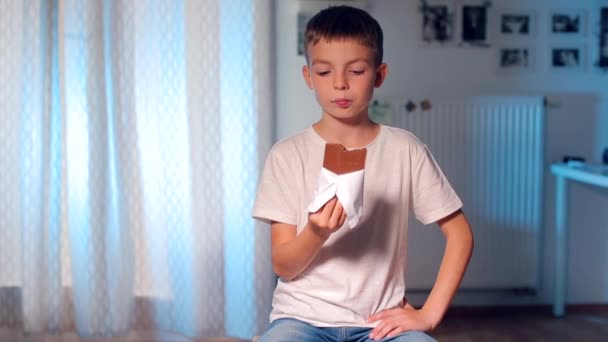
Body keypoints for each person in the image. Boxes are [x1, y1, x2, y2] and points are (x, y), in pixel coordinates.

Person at [252, 5, 473, 342]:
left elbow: (460, 234)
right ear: (308, 77)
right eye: (324, 73)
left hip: (379, 324)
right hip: (301, 319)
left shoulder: (405, 150)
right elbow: (283, 266)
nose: (340, 84)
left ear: (379, 75)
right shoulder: (287, 155)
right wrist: (315, 231)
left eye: (356, 70)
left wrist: (429, 314)